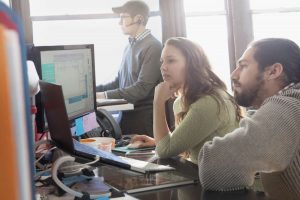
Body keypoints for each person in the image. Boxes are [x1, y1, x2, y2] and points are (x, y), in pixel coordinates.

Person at [198, 38, 300, 200]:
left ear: (273, 71)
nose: (233, 74)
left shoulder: (287, 108)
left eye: (243, 66)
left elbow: (213, 167)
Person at [131, 37, 242, 164]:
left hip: (223, 182)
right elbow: (179, 146)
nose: (163, 67)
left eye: (171, 60)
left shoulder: (209, 103)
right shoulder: (181, 101)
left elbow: (165, 151)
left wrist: (158, 102)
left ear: (191, 64)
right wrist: (158, 141)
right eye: (162, 61)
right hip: (202, 176)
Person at [96, 0, 162, 137]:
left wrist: (103, 95)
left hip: (143, 122)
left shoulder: (153, 47)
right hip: (126, 118)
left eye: (123, 17)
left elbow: (142, 88)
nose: (119, 23)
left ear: (139, 19)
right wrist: (92, 92)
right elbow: (118, 82)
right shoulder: (129, 46)